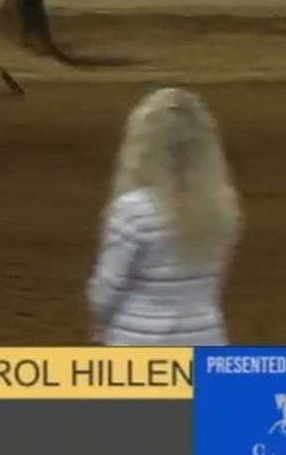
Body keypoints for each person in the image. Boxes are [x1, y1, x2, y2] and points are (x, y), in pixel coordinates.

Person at [87, 86, 242, 347]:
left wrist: (101, 322)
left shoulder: (133, 210)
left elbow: (106, 290)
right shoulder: (222, 208)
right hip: (205, 339)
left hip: (139, 344)